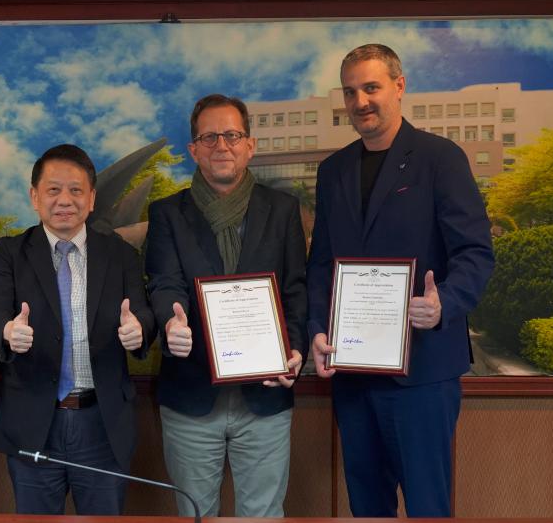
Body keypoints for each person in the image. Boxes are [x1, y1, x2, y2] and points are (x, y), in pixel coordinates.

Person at [307, 44, 495, 517]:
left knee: (428, 506)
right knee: (367, 507)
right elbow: (321, 264)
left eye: (371, 87)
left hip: (424, 374)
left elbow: (475, 253)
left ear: (399, 86)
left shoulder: (440, 158)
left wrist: (444, 304)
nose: (361, 101)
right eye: (351, 92)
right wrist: (317, 331)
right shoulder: (333, 171)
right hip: (353, 372)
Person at [144, 94, 307, 517]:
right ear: (194, 149)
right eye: (210, 136)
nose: (222, 145)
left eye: (232, 135)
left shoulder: (283, 209)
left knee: (264, 515)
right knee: (197, 515)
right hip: (191, 396)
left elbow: (294, 289)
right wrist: (170, 322)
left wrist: (297, 350)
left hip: (265, 398)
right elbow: (164, 283)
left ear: (249, 145)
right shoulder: (166, 213)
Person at [0, 144, 156, 515]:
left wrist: (138, 329)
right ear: (34, 196)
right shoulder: (12, 252)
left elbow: (141, 312)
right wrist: (9, 332)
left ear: (91, 198)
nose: (65, 200)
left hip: (102, 425)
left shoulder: (120, 254)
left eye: (76, 190)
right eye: (53, 189)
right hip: (34, 422)